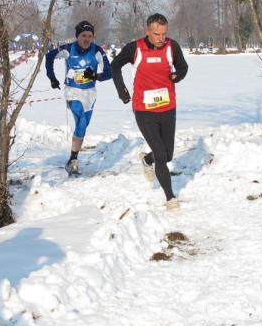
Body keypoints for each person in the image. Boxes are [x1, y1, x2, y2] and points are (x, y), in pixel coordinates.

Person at [111, 13, 188, 210]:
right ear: (147, 31)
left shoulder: (172, 46)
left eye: (164, 33)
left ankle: (147, 159)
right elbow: (115, 65)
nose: (161, 38)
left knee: (168, 154)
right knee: (162, 155)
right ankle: (170, 198)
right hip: (144, 109)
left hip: (167, 106)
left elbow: (183, 67)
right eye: (156, 34)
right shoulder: (135, 48)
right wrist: (122, 90)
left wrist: (176, 75)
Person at [45, 20, 111, 176]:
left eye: (90, 36)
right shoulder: (69, 49)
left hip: (90, 93)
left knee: (83, 125)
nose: (87, 39)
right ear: (77, 36)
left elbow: (109, 72)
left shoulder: (97, 51)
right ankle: (74, 160)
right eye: (83, 36)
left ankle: (72, 158)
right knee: (81, 119)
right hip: (72, 92)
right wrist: (52, 77)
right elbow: (49, 57)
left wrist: (94, 75)